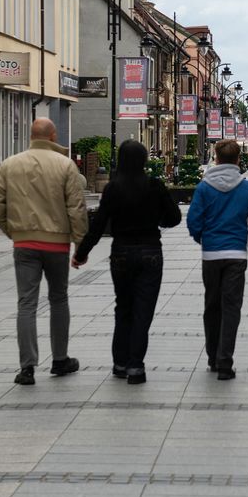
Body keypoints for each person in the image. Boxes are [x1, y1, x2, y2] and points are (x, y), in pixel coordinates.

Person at [0, 118, 88, 386]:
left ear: (31, 135)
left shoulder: (10, 164)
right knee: (59, 299)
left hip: (24, 244)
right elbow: (76, 208)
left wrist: (12, 230)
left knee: (26, 303)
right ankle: (60, 359)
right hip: (56, 243)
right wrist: (80, 244)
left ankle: (27, 367)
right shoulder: (65, 165)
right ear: (53, 136)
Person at [72, 140, 180, 385]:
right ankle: (136, 366)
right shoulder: (155, 186)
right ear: (144, 160)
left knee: (123, 307)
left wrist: (82, 252)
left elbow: (98, 224)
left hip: (121, 253)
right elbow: (174, 218)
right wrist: (157, 219)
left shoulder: (113, 188)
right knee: (143, 311)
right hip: (151, 251)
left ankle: (120, 362)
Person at [185, 139, 248, 380]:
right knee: (231, 307)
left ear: (216, 158)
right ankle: (225, 360)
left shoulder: (204, 187)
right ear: (239, 159)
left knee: (212, 305)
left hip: (211, 255)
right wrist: (247, 240)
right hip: (236, 255)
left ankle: (212, 355)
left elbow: (193, 221)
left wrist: (202, 238)